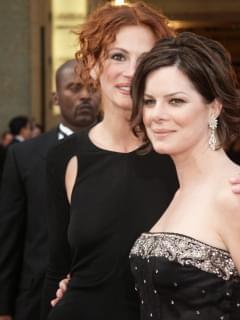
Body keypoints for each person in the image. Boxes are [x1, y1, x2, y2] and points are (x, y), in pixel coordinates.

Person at [41, 2, 240, 320]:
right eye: (118, 56)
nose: (132, 71)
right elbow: (59, 267)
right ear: (92, 64)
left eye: (176, 100)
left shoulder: (199, 170)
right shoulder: (66, 158)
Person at [129, 32, 240, 319]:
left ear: (214, 107)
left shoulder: (232, 195)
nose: (157, 115)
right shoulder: (179, 192)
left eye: (176, 101)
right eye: (149, 101)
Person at [0, 59, 99, 320]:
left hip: (105, 296)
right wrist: (3, 308)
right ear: (56, 97)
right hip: (36, 297)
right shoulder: (23, 156)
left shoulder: (126, 153)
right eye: (75, 88)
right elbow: (9, 235)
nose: (86, 95)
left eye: (92, 87)